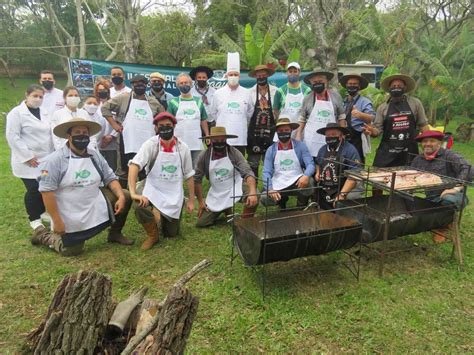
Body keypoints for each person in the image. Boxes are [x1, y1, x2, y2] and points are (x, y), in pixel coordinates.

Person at [36, 117, 133, 256]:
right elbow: (46, 192)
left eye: (85, 133)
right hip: (69, 211)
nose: (82, 135)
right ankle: (42, 234)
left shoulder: (95, 155)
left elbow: (110, 177)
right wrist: (57, 221)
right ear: (68, 136)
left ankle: (115, 233)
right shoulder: (54, 160)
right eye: (77, 132)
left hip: (94, 201)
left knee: (126, 195)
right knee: (71, 251)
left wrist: (121, 196)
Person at [128, 112, 195, 250]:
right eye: (161, 126)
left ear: (174, 126)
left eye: (168, 125)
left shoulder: (183, 148)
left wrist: (192, 200)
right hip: (153, 188)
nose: (165, 128)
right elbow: (134, 165)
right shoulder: (151, 144)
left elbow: (189, 175)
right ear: (156, 128)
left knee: (172, 234)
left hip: (173, 192)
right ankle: (153, 235)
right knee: (139, 203)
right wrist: (133, 192)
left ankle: (161, 216)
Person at [6, 84, 54, 236]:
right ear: (26, 95)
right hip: (27, 161)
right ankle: (34, 219)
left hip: (45, 158)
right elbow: (12, 136)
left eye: (41, 97)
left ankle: (43, 211)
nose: (38, 99)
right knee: (33, 189)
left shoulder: (45, 112)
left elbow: (49, 133)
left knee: (44, 186)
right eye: (35, 96)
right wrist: (27, 156)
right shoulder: (16, 113)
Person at [411, 130, 472, 243]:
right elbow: (411, 176)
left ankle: (441, 228)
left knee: (448, 200)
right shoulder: (418, 159)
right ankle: (445, 219)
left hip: (454, 195)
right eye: (425, 141)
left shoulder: (449, 155)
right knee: (420, 216)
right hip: (431, 197)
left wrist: (455, 188)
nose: (428, 144)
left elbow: (468, 169)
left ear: (439, 143)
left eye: (432, 141)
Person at [101, 75, 164, 180]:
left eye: (142, 83)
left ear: (146, 85)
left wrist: (158, 127)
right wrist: (114, 125)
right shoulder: (123, 98)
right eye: (136, 83)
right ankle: (127, 192)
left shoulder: (153, 101)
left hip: (147, 140)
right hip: (128, 141)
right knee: (126, 169)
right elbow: (105, 108)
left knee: (146, 169)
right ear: (132, 85)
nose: (139, 85)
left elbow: (162, 115)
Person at [194, 126, 258, 227]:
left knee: (255, 195)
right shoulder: (204, 156)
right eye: (216, 140)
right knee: (201, 223)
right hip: (217, 191)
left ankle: (244, 222)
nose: (219, 142)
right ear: (210, 140)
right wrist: (201, 202)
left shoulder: (234, 153)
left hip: (234, 186)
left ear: (226, 140)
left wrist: (253, 191)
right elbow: (196, 180)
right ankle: (226, 208)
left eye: (222, 140)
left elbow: (248, 172)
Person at [364, 73, 429, 167]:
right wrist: (371, 131)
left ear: (405, 87)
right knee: (382, 178)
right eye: (393, 86)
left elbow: (423, 125)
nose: (396, 87)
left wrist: (429, 142)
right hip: (387, 152)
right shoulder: (382, 107)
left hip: (409, 151)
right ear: (389, 88)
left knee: (409, 178)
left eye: (399, 86)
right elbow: (377, 130)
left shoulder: (415, 103)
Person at [261, 117, 315, 209]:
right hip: (278, 181)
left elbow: (310, 164)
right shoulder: (271, 150)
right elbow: (266, 171)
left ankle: (301, 206)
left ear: (291, 130)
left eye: (286, 130)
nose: (284, 132)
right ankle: (281, 204)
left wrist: (306, 176)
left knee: (310, 183)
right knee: (264, 197)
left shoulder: (300, 146)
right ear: (277, 132)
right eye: (281, 130)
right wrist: (270, 189)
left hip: (296, 180)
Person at [295, 68, 346, 159]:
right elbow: (302, 119)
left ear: (326, 81)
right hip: (311, 139)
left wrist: (343, 134)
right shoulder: (307, 98)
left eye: (320, 81)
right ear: (311, 84)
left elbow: (341, 117)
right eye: (315, 82)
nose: (317, 83)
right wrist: (298, 135)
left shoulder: (336, 96)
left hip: (331, 138)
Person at [211, 52, 254, 155]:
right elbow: (213, 113)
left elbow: (250, 113)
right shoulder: (218, 93)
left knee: (239, 165)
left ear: (239, 76)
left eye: (235, 74)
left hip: (240, 137)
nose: (233, 77)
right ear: (227, 76)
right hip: (222, 137)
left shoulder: (246, 93)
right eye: (231, 74)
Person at [314, 123, 361, 210]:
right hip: (326, 187)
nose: (330, 137)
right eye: (328, 135)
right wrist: (318, 172)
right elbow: (318, 163)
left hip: (345, 186)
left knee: (351, 197)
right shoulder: (322, 149)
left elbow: (355, 175)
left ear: (341, 136)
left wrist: (342, 195)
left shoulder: (350, 150)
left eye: (333, 134)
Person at [167, 73, 209, 164]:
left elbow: (203, 119)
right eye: (181, 83)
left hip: (196, 141)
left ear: (191, 84)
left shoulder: (198, 101)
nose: (184, 85)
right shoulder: (173, 102)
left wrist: (207, 134)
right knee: (179, 169)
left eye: (186, 82)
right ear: (177, 86)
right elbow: (169, 122)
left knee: (197, 169)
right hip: (179, 142)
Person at [247, 64, 278, 177]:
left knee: (269, 164)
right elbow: (247, 115)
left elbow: (277, 112)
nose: (261, 77)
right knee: (252, 165)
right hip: (254, 135)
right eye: (259, 75)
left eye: (263, 75)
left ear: (268, 76)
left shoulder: (276, 91)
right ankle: (252, 190)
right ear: (255, 76)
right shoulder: (249, 92)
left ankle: (268, 189)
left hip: (270, 134)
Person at [339, 73, 375, 163]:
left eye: (355, 84)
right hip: (344, 137)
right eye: (350, 84)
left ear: (359, 86)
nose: (352, 86)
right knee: (343, 162)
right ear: (346, 86)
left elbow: (372, 117)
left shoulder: (365, 102)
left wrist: (360, 115)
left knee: (357, 163)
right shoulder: (343, 102)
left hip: (357, 138)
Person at [273, 62, 311, 127]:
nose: (292, 74)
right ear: (287, 73)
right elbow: (275, 110)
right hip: (284, 128)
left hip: (301, 128)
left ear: (299, 73)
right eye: (290, 72)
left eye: (295, 71)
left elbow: (309, 110)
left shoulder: (307, 90)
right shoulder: (280, 91)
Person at [94, 80, 118, 171]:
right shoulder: (93, 105)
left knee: (111, 169)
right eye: (99, 90)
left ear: (108, 91)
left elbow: (119, 122)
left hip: (111, 143)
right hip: (96, 142)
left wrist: (111, 136)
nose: (102, 92)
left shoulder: (114, 104)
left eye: (104, 90)